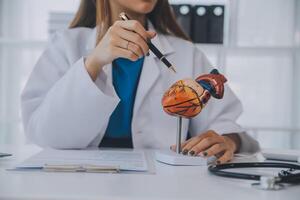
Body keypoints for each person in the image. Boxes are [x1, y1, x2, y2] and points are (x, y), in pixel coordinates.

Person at [21, 0, 259, 164]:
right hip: (76, 181)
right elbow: (44, 135)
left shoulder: (187, 53)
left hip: (162, 184)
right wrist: (93, 62)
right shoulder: (65, 45)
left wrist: (228, 140)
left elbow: (228, 126)